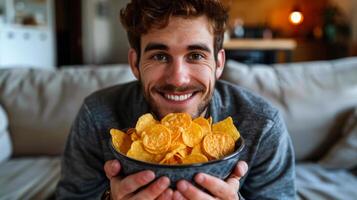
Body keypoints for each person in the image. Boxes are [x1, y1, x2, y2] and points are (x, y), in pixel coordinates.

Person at [56, 0, 296, 199]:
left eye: (195, 55)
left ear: (219, 63)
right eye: (160, 56)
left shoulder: (263, 125)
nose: (178, 78)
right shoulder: (97, 114)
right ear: (135, 64)